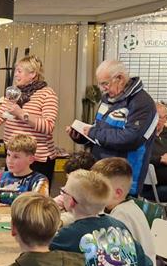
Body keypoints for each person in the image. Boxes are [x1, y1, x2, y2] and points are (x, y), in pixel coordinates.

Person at [66, 60, 157, 196]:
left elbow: (131, 138)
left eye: (105, 83)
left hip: (123, 178)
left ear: (120, 78)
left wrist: (93, 133)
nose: (102, 89)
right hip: (100, 173)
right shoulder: (107, 99)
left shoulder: (142, 103)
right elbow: (100, 130)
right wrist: (82, 137)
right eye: (100, 84)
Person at [0, 55, 60, 183]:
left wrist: (21, 114)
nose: (15, 75)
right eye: (16, 71)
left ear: (32, 74)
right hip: (13, 155)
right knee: (11, 192)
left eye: (19, 71)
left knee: (33, 195)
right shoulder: (13, 93)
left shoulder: (47, 94)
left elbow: (48, 126)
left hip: (36, 159)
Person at [91, 157, 160, 266]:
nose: (93, 193)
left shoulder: (121, 216)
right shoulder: (125, 207)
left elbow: (112, 258)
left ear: (117, 193)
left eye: (98, 189)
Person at [0, 134, 49, 206]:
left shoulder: (39, 180)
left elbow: (37, 203)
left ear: (30, 159)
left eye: (16, 157)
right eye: (8, 155)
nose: (9, 160)